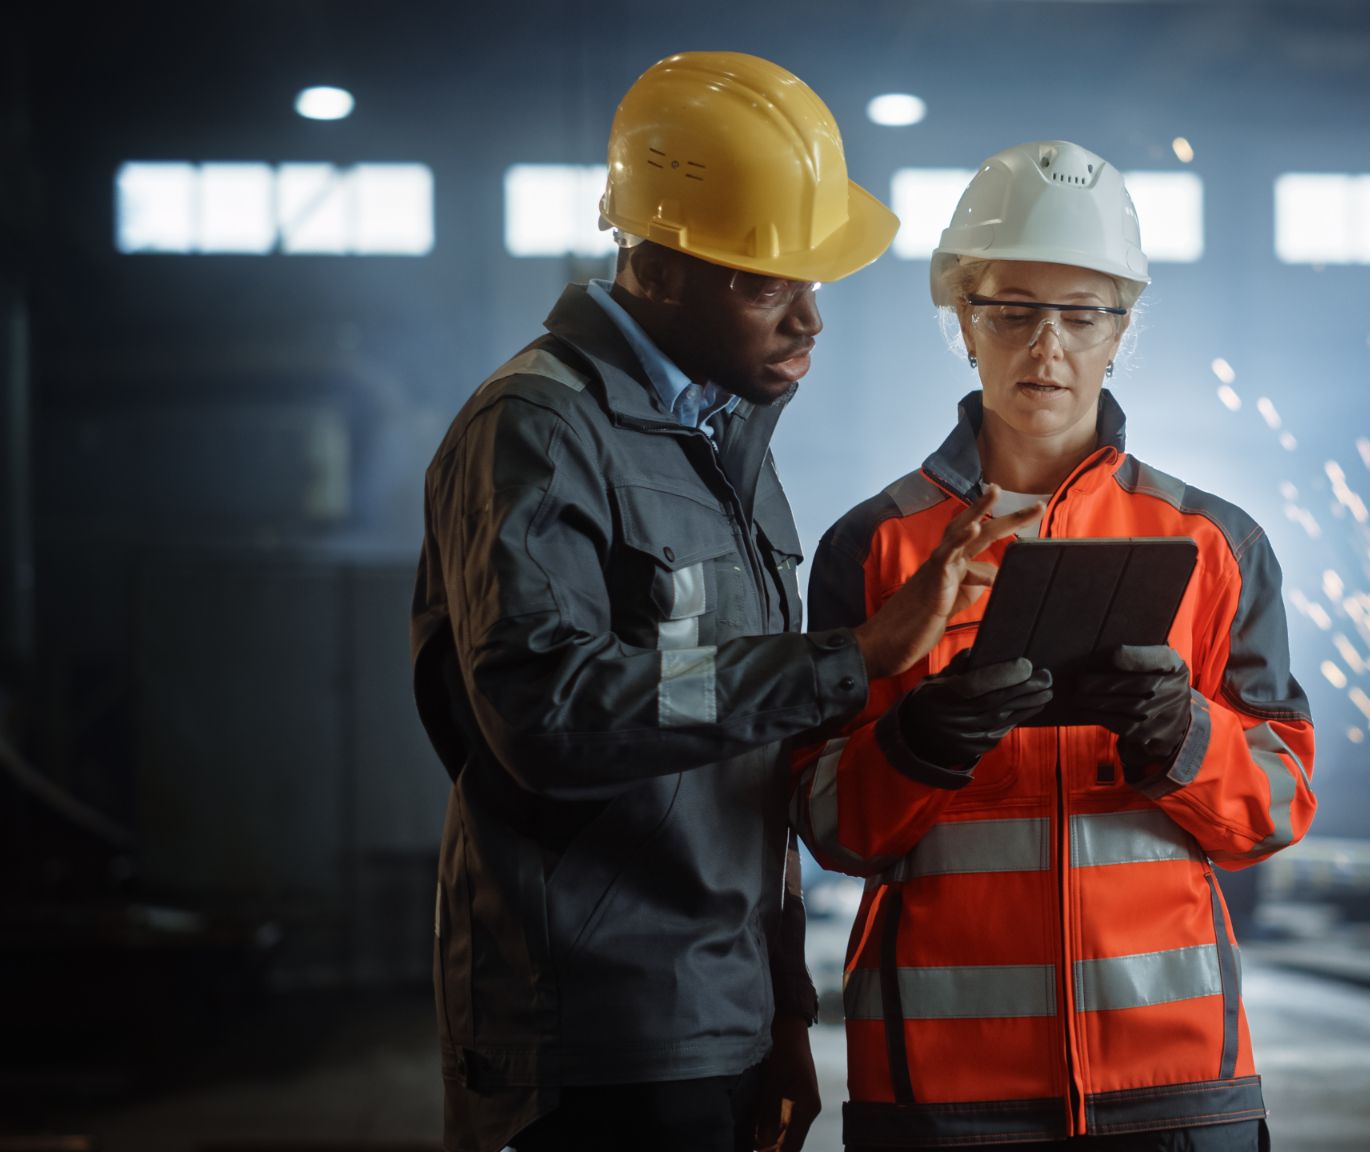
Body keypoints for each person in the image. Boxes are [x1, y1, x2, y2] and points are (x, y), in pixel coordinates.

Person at [411, 52, 1025, 1152]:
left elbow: (732, 756)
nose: (807, 321)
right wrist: (849, 657)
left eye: (811, 279)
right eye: (761, 283)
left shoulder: (716, 442)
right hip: (595, 1043)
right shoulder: (537, 431)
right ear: (651, 264)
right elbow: (546, 710)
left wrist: (781, 1009)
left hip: (715, 1023)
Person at [793, 140, 1318, 1150]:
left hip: (1170, 1080)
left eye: (1082, 314)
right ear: (961, 320)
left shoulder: (1210, 542)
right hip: (943, 1087)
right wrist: (918, 743)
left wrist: (1181, 736)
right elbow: (827, 824)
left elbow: (1277, 806)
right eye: (1011, 309)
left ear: (1122, 329)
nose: (1048, 345)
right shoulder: (876, 547)